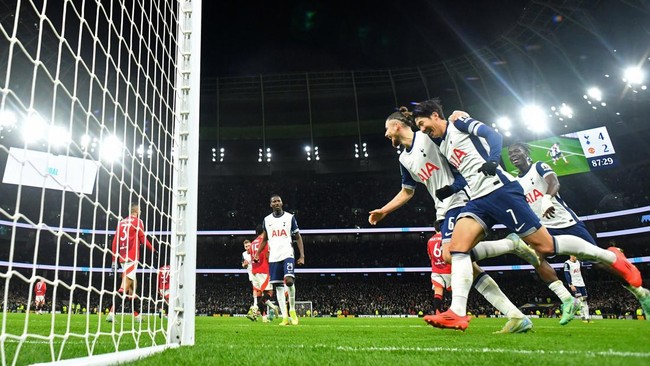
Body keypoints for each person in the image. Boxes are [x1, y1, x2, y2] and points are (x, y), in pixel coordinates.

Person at [411, 99, 641, 331]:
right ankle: (457, 312)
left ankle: (612, 258)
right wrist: (451, 188)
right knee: (456, 248)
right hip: (478, 200)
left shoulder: (459, 123)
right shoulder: (442, 145)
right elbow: (465, 172)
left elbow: (493, 135)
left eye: (422, 123)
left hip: (501, 191)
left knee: (546, 247)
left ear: (435, 115)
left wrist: (492, 159)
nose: (422, 129)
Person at [369, 108, 539, 333]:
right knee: (466, 264)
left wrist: (459, 114)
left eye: (386, 129)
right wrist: (384, 211)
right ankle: (516, 316)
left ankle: (508, 247)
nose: (385, 134)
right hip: (441, 210)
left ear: (397, 125)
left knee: (451, 254)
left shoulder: (427, 135)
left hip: (459, 200)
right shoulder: (403, 158)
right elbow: (407, 191)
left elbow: (448, 131)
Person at [508, 141, 650, 320]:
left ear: (526, 153)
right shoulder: (514, 181)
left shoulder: (538, 166)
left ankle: (640, 293)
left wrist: (547, 198)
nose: (512, 155)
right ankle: (567, 299)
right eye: (510, 153)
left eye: (516, 151)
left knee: (598, 262)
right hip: (543, 228)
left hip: (566, 222)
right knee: (536, 258)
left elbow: (554, 182)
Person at [253, 194, 305, 326]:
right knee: (278, 287)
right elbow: (265, 239)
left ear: (282, 203)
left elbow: (298, 237)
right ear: (270, 205)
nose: (276, 203)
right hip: (274, 256)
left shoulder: (289, 218)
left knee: (289, 281)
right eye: (274, 202)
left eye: (278, 201)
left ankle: (292, 309)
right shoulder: (267, 220)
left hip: (287, 253)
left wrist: (302, 255)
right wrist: (258, 253)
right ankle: (285, 317)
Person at [107, 203, 156, 323]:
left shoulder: (121, 222)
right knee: (124, 287)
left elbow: (114, 241)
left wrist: (114, 261)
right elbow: (142, 238)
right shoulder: (138, 222)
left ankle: (136, 314)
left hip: (122, 258)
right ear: (137, 210)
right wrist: (153, 250)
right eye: (140, 209)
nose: (141, 211)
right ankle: (111, 313)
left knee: (133, 288)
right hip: (132, 257)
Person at [248, 225, 280, 323]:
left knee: (259, 295)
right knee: (269, 292)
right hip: (263, 270)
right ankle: (254, 309)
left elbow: (251, 255)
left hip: (254, 271)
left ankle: (265, 317)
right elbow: (267, 255)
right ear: (263, 231)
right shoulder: (265, 241)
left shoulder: (252, 243)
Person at [564, 256, 590, 322]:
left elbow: (586, 263)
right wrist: (570, 284)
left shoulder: (578, 262)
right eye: (575, 256)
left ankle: (587, 317)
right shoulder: (567, 263)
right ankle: (583, 316)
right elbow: (567, 274)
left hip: (581, 284)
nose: (576, 257)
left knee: (584, 299)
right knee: (580, 299)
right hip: (574, 284)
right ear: (571, 256)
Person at [241, 239, 257, 321]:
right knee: (256, 291)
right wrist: (244, 265)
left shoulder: (255, 252)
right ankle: (256, 308)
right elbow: (243, 265)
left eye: (248, 246)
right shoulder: (244, 254)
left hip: (259, 273)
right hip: (251, 275)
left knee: (261, 291)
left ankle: (255, 308)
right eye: (246, 246)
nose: (247, 248)